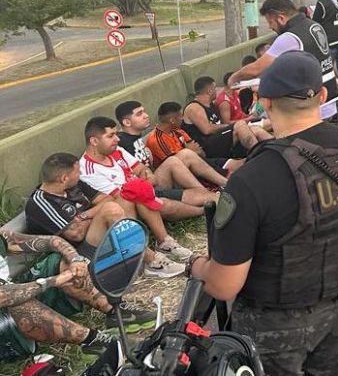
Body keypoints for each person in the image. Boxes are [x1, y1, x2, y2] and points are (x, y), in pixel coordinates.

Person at [188, 51, 338, 376]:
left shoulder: (252, 180)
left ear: (264, 102)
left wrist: (195, 266)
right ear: (322, 95)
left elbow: (223, 286)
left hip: (275, 327)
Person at [25, 152, 184, 287]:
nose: (80, 174)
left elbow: (107, 198)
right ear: (64, 178)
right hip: (78, 256)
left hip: (97, 235)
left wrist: (85, 215)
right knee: (111, 211)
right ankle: (151, 261)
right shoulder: (40, 203)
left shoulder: (73, 185)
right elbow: (76, 234)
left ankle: (163, 243)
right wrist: (101, 216)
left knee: (128, 196)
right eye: (77, 171)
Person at [78, 116, 195, 266]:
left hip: (142, 194)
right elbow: (117, 196)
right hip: (122, 210)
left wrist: (145, 179)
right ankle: (147, 255)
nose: (117, 139)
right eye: (111, 136)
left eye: (116, 134)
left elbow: (142, 169)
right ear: (94, 141)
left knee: (145, 189)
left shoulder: (115, 150)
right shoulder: (87, 169)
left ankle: (165, 241)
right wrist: (141, 183)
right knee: (144, 197)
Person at [0, 229, 130, 361]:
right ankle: (93, 342)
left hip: (18, 294)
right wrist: (53, 281)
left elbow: (52, 241)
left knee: (64, 263)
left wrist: (75, 259)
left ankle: (117, 310)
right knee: (18, 303)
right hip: (5, 325)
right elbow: (4, 296)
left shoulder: (2, 237)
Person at [230, 0, 338, 120]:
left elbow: (256, 69)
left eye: (270, 22)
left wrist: (234, 78)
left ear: (281, 18)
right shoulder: (314, 25)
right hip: (328, 97)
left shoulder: (289, 37)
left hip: (309, 105)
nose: (270, 27)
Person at [114, 101, 230, 199]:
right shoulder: (120, 141)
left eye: (144, 111)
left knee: (186, 154)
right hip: (145, 189)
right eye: (139, 114)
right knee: (176, 159)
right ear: (127, 122)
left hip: (155, 179)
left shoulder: (137, 138)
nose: (146, 115)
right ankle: (209, 194)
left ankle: (225, 185)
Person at [182, 77, 271, 160]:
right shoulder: (194, 107)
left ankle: (277, 148)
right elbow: (207, 130)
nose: (216, 90)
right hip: (207, 146)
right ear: (209, 91)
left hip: (219, 138)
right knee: (240, 125)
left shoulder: (209, 104)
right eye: (215, 88)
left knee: (256, 130)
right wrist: (229, 125)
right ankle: (259, 156)